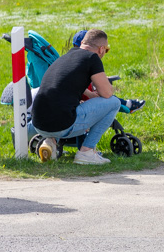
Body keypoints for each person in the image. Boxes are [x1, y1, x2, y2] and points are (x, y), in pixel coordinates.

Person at [28, 29, 121, 164]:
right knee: (114, 103)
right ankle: (86, 152)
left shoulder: (65, 57)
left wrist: (89, 94)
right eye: (106, 50)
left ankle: (50, 142)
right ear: (101, 49)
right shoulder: (92, 58)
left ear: (83, 42)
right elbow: (107, 93)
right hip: (62, 125)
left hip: (38, 123)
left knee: (62, 107)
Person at [70, 30, 145, 115]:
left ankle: (127, 104)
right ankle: (127, 104)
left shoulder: (69, 58)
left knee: (104, 93)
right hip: (81, 102)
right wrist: (91, 93)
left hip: (78, 99)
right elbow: (106, 93)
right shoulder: (90, 59)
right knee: (108, 98)